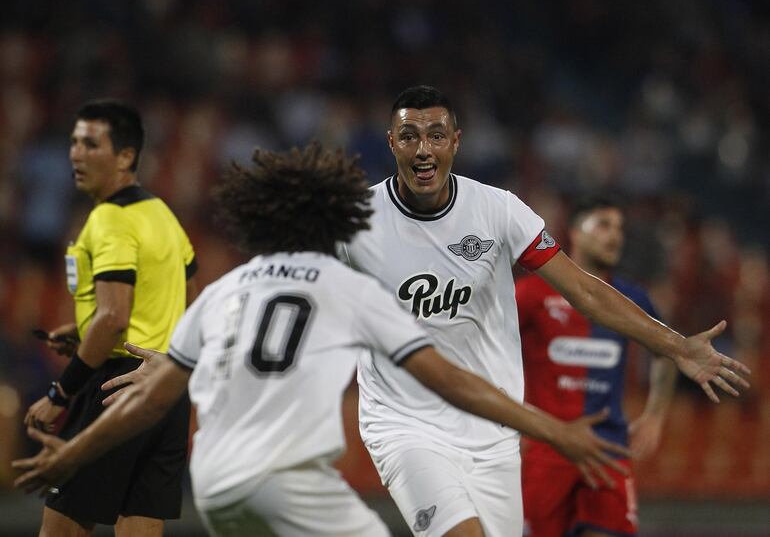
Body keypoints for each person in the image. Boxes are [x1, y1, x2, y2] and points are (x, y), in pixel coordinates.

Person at [14, 143, 631, 537]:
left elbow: (156, 395)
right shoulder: (346, 287)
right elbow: (448, 379)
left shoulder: (231, 290)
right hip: (288, 479)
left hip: (217, 480)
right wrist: (551, 430)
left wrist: (74, 450)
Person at [335, 85, 750, 537]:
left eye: (435, 135)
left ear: (455, 141)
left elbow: (585, 292)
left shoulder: (498, 211)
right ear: (392, 143)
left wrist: (677, 347)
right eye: (409, 136)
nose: (423, 149)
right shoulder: (356, 219)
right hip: (404, 425)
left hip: (492, 430)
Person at [22, 100, 198, 537]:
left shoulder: (109, 218)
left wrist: (59, 394)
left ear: (125, 156)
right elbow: (190, 298)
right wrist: (87, 332)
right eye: (74, 142)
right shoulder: (162, 214)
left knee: (60, 531)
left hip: (114, 389)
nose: (76, 154)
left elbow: (114, 318)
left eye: (90, 143)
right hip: (165, 392)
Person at [517, 195, 679, 537]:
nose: (615, 236)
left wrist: (655, 415)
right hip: (547, 449)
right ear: (575, 232)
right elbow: (487, 348)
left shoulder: (630, 298)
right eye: (604, 225)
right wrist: (511, 418)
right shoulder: (531, 293)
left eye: (619, 228)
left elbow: (669, 349)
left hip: (609, 448)